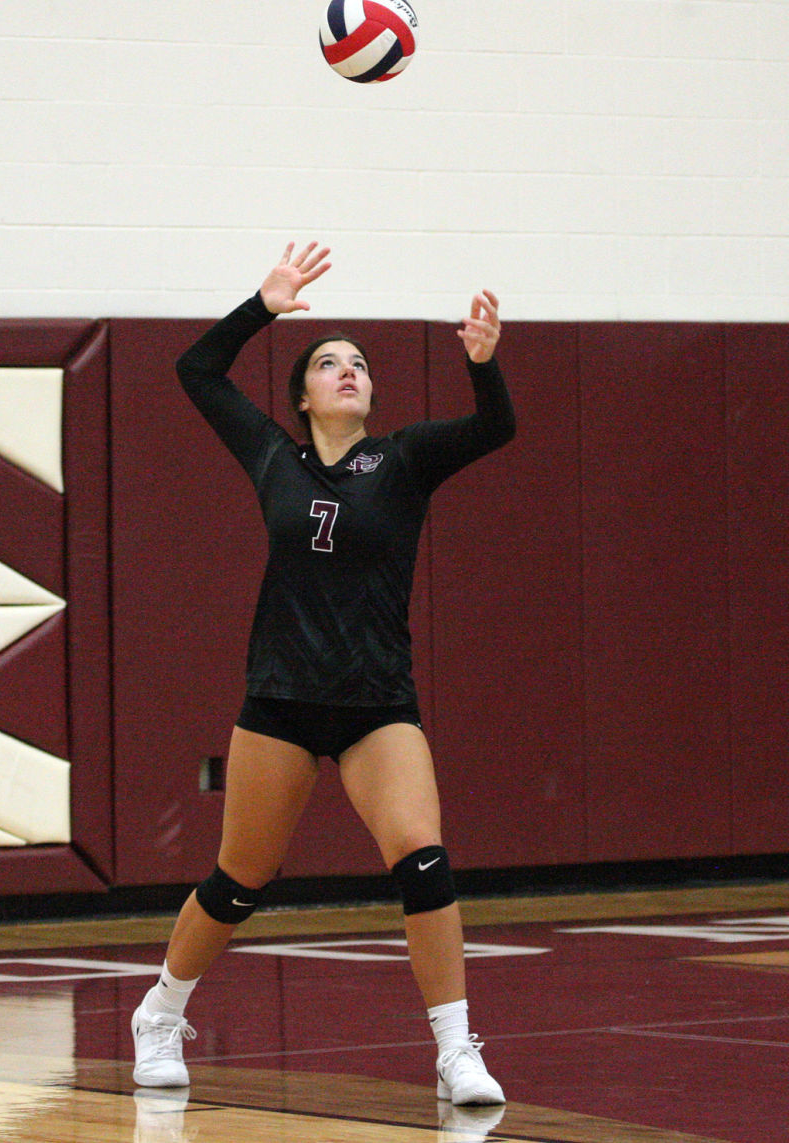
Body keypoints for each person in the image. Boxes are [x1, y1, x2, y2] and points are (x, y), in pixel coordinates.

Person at [129, 241, 516, 1107]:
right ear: (302, 395)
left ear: (371, 395)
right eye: (328, 363)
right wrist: (262, 307)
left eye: (359, 365)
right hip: (280, 700)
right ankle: (159, 1011)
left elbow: (496, 429)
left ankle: (455, 1051)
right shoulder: (272, 455)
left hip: (378, 703)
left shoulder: (405, 460)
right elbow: (197, 370)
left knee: (422, 858)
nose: (347, 371)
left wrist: (483, 367)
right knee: (239, 882)